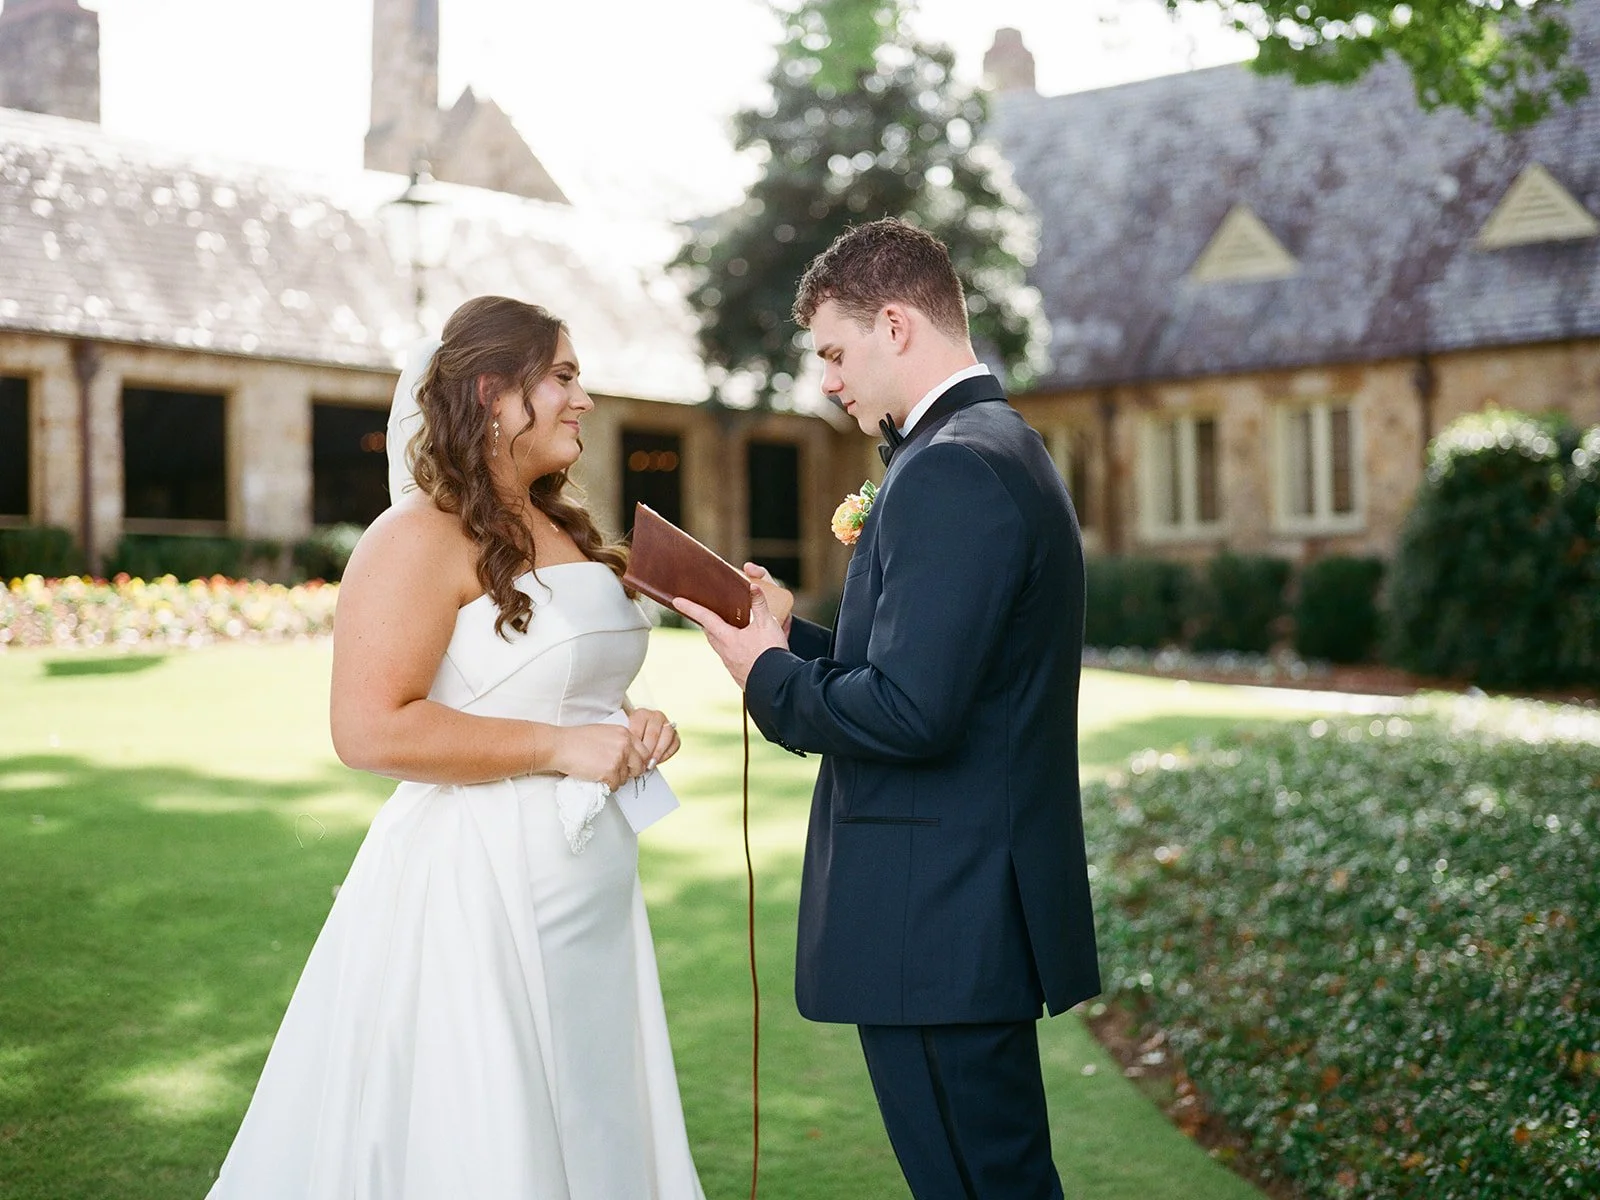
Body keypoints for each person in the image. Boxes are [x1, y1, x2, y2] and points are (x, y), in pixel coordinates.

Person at [207, 296, 705, 1199]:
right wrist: (563, 745)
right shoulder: (411, 540)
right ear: (490, 392)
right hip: (480, 886)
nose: (583, 400)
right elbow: (368, 729)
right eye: (561, 377)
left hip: (588, 882)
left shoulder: (564, 532)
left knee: (591, 1107)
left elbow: (558, 682)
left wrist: (633, 725)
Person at [677, 219, 1100, 1200]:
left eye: (834, 351)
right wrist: (789, 638)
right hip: (949, 915)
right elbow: (931, 669)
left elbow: (912, 713)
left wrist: (763, 678)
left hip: (937, 918)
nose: (826, 380)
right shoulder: (985, 448)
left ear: (897, 324)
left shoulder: (954, 465)